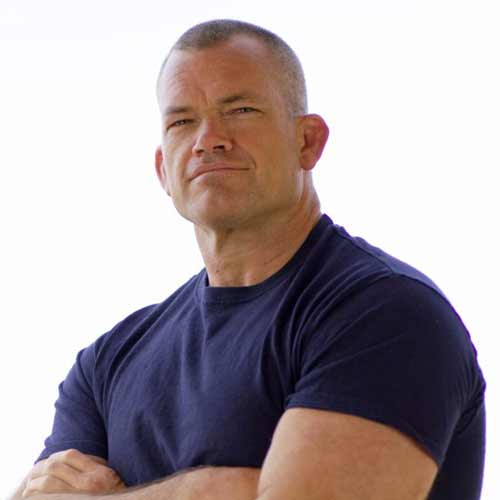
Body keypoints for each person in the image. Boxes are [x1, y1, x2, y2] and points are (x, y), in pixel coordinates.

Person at [10, 19, 485, 500]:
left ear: (307, 141)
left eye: (240, 110)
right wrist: (225, 488)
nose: (208, 139)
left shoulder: (386, 314)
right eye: (181, 122)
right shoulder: (107, 365)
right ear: (162, 169)